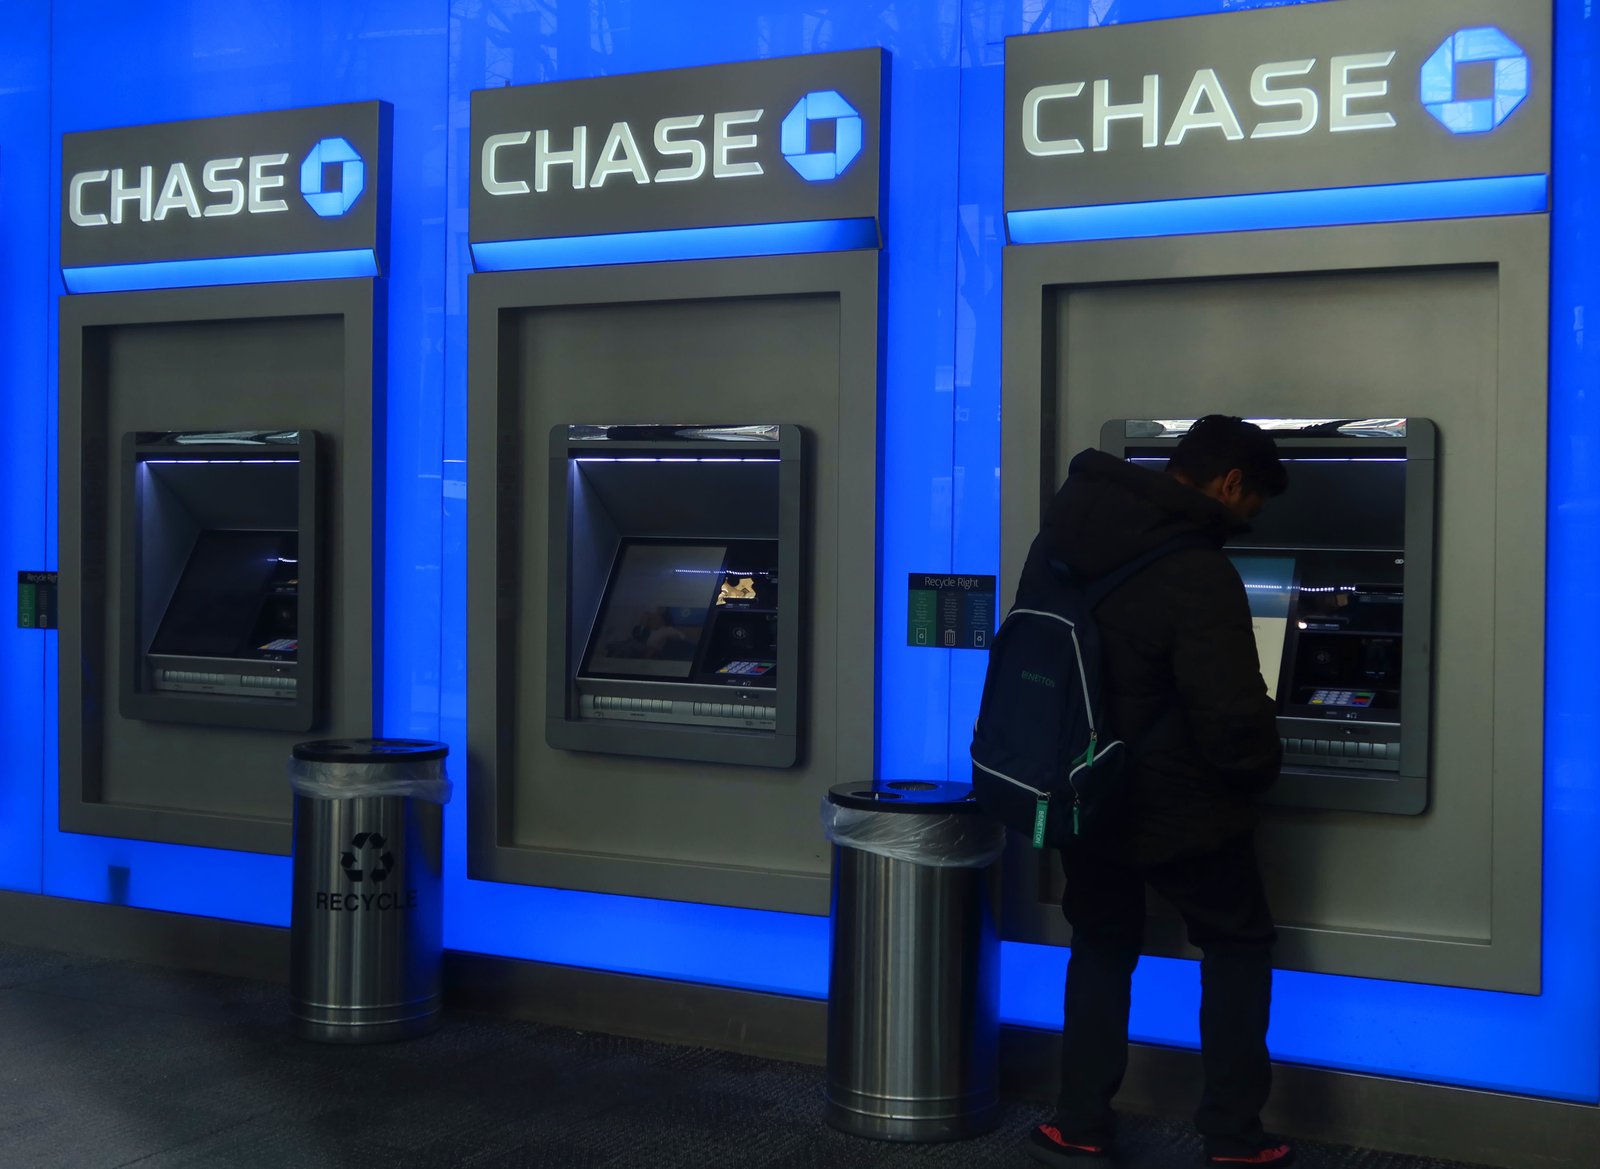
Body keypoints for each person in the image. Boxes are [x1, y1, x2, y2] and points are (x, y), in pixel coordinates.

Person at [1023, 416, 1294, 1168]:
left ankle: (1079, 1124)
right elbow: (1231, 714)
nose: (1248, 520)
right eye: (1253, 505)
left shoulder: (1061, 540)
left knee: (1101, 943)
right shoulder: (1199, 570)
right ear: (1230, 483)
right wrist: (1260, 770)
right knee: (1236, 944)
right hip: (1184, 805)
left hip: (1084, 787)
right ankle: (1233, 1136)